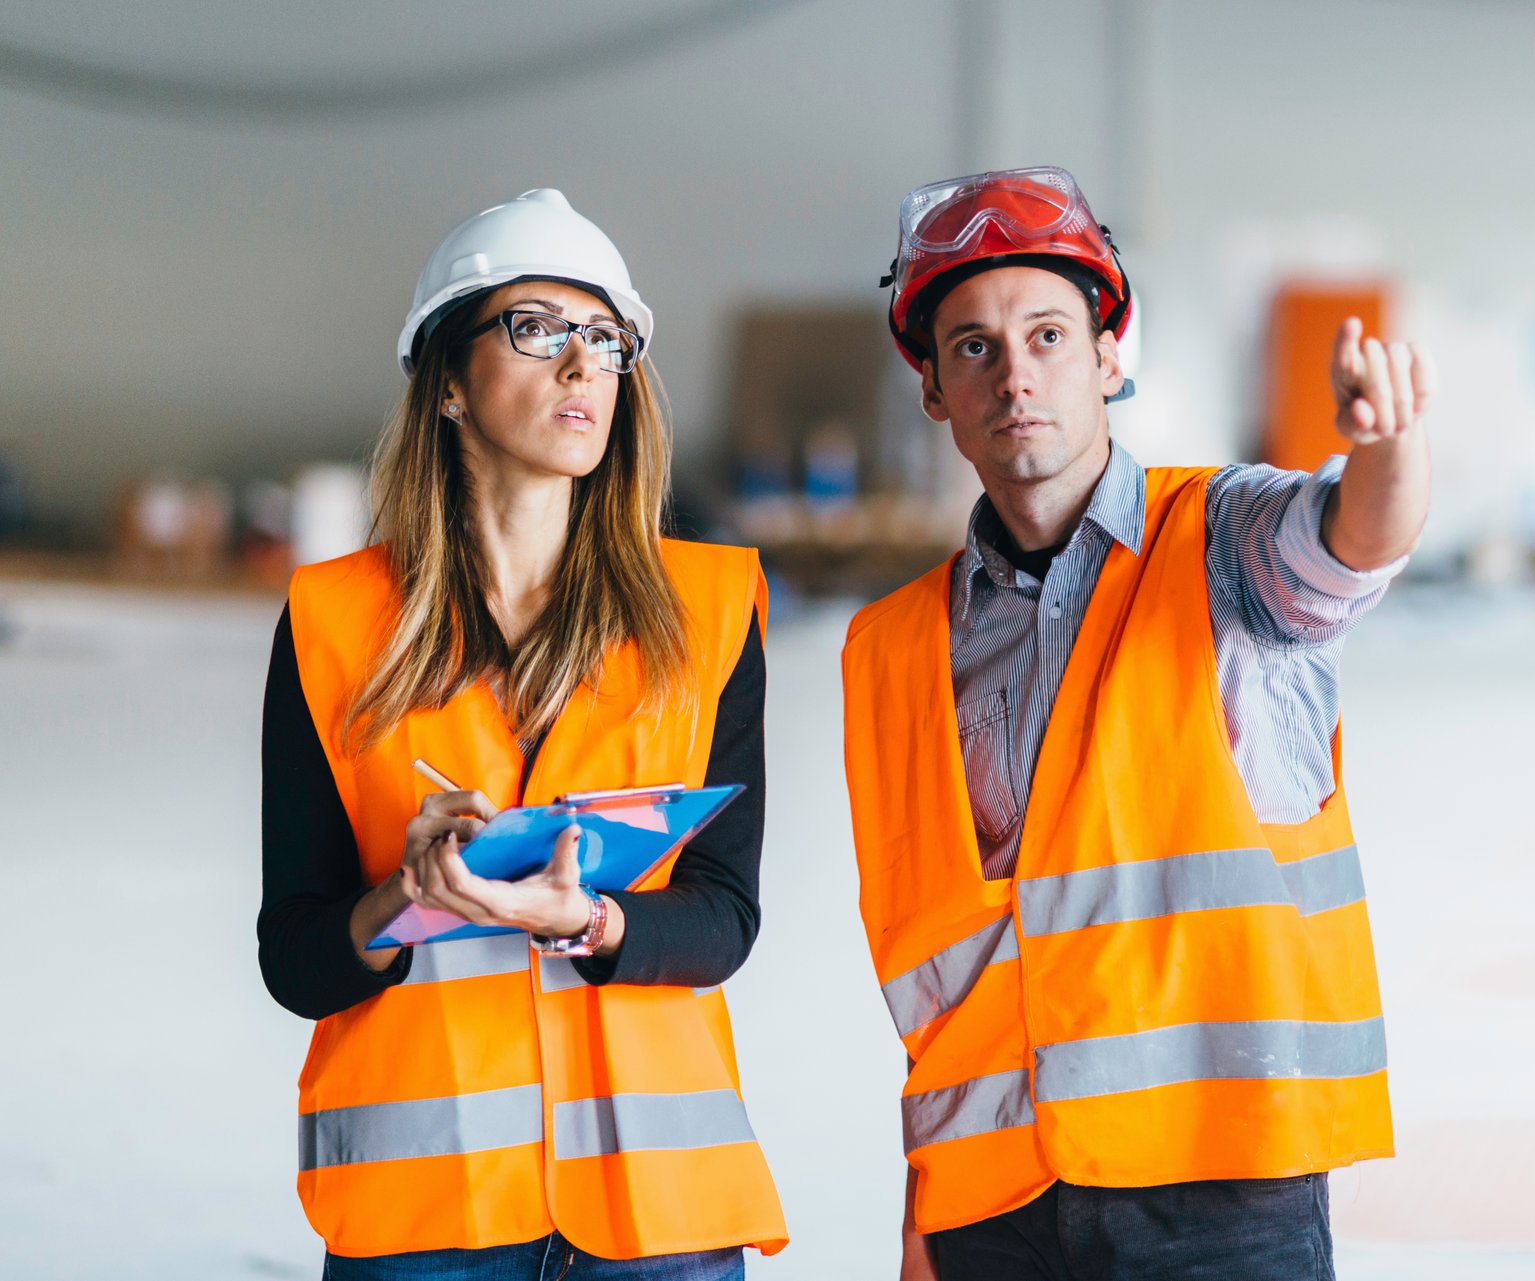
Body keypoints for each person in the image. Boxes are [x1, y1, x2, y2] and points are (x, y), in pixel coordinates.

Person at [841, 166, 1434, 1280]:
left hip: (1218, 1191)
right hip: (993, 1205)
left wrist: (1388, 448)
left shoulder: (1220, 543)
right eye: (972, 346)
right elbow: (943, 980)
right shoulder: (891, 649)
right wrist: (925, 1228)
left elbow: (1351, 545)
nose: (1016, 373)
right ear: (932, 388)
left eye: (1050, 334)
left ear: (1112, 357)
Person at [258, 189, 787, 1279]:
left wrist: (591, 923)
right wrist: (404, 900)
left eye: (605, 340)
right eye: (537, 329)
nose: (582, 366)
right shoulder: (333, 622)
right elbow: (298, 958)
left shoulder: (710, 609)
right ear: (448, 381)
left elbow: (725, 920)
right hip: (427, 1226)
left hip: (657, 1224)